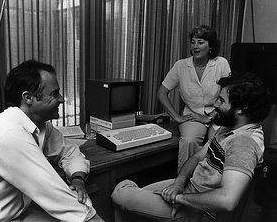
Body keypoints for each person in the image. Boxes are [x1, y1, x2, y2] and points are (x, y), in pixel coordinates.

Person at [112, 72, 271, 222]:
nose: (215, 104)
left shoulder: (244, 143)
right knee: (128, 196)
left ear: (241, 108)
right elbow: (197, 157)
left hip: (197, 211)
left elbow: (227, 200)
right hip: (188, 189)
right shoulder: (228, 127)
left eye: (221, 100)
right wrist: (179, 183)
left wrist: (180, 199)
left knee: (121, 192)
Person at [0, 60, 104, 222]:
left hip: (17, 213)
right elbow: (58, 197)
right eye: (54, 94)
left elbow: (70, 152)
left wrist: (77, 178)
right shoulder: (9, 134)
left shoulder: (41, 125)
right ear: (28, 98)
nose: (62, 99)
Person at [157, 25, 231, 171]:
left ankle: (208, 182)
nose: (195, 46)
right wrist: (177, 117)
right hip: (192, 115)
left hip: (218, 114)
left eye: (201, 42)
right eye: (193, 42)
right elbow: (161, 93)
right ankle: (182, 182)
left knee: (221, 141)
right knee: (189, 141)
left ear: (210, 46)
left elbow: (229, 95)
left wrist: (209, 117)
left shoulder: (221, 63)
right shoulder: (181, 66)